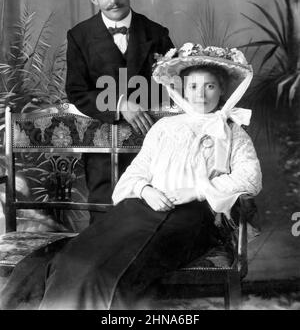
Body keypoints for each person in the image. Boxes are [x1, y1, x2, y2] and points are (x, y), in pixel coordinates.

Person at [0, 42, 262, 310]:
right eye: (194, 87)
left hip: (190, 217)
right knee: (74, 259)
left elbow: (250, 178)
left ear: (221, 90)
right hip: (139, 207)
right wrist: (147, 191)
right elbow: (135, 173)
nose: (201, 94)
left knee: (109, 271)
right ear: (183, 89)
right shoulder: (164, 127)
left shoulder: (231, 130)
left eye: (210, 86)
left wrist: (195, 190)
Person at [66, 0, 174, 208]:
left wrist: (149, 101)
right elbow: (77, 91)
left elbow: (173, 86)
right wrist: (119, 103)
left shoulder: (157, 33)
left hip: (150, 145)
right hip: (103, 149)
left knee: (151, 212)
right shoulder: (79, 36)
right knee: (104, 213)